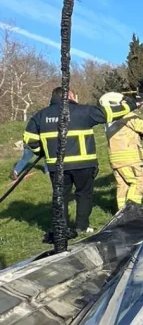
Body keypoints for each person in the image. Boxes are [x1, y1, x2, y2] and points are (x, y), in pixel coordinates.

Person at [23, 87, 135, 242]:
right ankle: (82, 226)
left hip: (57, 166)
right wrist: (130, 104)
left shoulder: (40, 115)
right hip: (84, 164)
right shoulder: (83, 111)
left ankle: (61, 228)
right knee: (84, 194)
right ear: (69, 95)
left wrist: (41, 151)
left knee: (60, 197)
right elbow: (109, 113)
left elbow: (29, 139)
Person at [100, 92, 143, 209]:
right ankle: (131, 211)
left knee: (122, 184)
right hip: (129, 157)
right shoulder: (126, 115)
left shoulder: (109, 118)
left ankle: (121, 212)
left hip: (114, 157)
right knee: (138, 182)